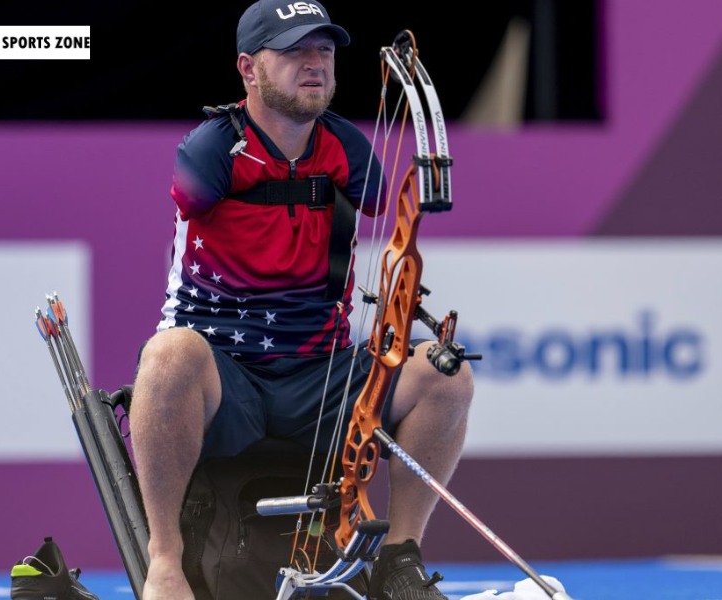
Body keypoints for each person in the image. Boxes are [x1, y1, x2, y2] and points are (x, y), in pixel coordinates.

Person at [129, 2, 474, 599]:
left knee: (446, 375)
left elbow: (383, 208)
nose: (313, 64)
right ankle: (164, 561)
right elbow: (197, 199)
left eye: (324, 52)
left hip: (323, 373)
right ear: (248, 67)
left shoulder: (347, 147)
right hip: (227, 374)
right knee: (167, 356)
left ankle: (399, 558)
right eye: (292, 52)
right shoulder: (211, 150)